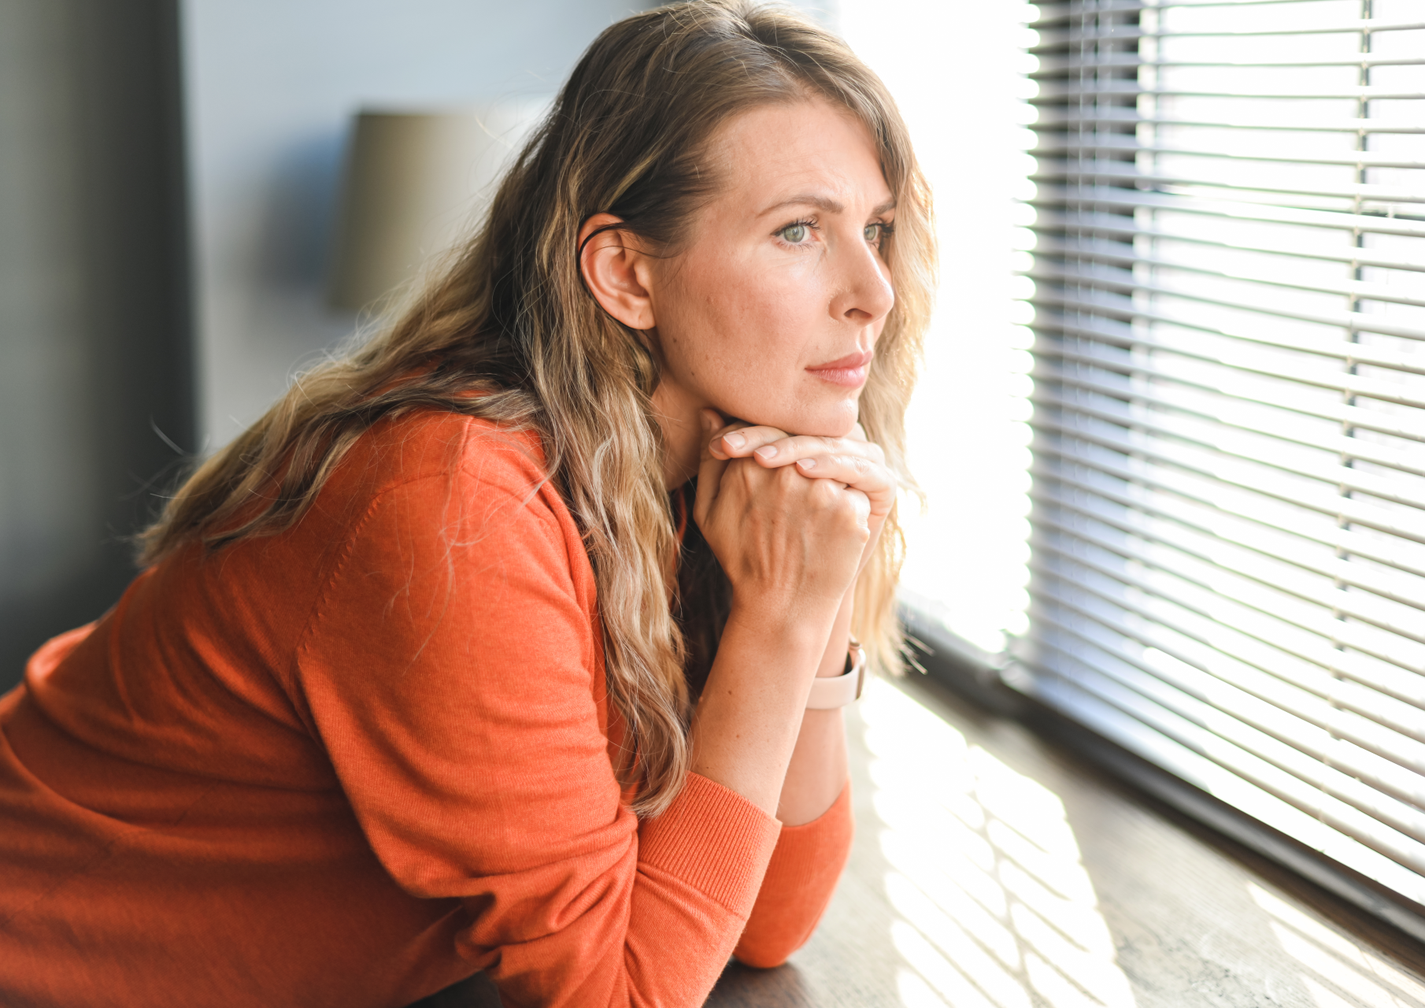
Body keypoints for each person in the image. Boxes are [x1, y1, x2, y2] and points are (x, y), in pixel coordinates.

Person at [0, 1, 934, 1005]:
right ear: (625, 272)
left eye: (876, 229)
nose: (873, 290)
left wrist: (812, 590)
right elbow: (615, 999)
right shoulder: (453, 503)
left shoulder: (706, 480)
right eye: (799, 230)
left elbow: (764, 922)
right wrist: (784, 622)